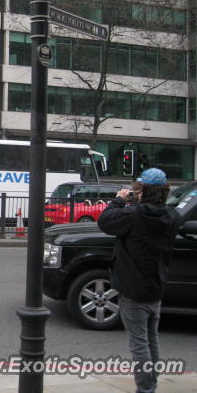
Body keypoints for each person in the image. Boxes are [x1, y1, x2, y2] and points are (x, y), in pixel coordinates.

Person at [98, 168, 180, 393]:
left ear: (143, 192)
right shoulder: (172, 216)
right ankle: (151, 384)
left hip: (133, 289)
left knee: (139, 345)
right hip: (155, 285)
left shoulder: (134, 215)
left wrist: (118, 201)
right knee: (151, 340)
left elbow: (105, 222)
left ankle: (145, 389)